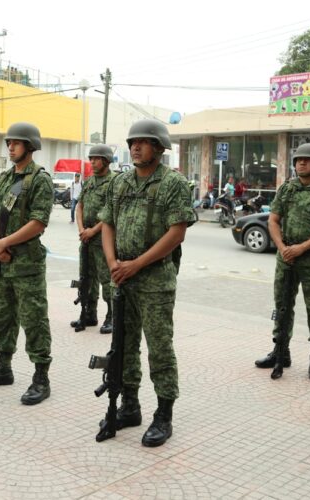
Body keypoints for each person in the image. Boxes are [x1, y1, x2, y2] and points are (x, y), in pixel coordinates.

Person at [99, 119, 195, 447]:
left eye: (144, 141)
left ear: (159, 147)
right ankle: (130, 405)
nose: (136, 147)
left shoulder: (172, 183)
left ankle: (164, 413)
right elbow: (107, 223)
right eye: (132, 142)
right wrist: (113, 263)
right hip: (121, 278)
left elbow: (176, 232)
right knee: (124, 347)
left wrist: (136, 264)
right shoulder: (120, 183)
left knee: (159, 347)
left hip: (155, 280)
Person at [0, 122, 54, 405]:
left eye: (16, 143)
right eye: (9, 142)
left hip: (27, 264)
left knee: (34, 321)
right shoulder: (7, 178)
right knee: (3, 317)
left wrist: (3, 244)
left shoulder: (39, 180)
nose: (10, 147)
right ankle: (3, 368)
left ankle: (41, 377)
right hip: (3, 261)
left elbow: (38, 222)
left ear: (30, 146)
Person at [255, 143, 310, 382]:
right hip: (286, 256)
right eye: (298, 159)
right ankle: (280, 352)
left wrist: (302, 248)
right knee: (282, 305)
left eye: (307, 159)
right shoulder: (287, 189)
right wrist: (283, 248)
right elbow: (273, 221)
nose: (301, 163)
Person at [72, 144, 118, 334]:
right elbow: (79, 206)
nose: (92, 162)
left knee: (107, 279)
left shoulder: (115, 181)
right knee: (87, 278)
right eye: (91, 158)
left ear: (106, 161)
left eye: (96, 158)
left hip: (102, 239)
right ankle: (89, 313)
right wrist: (82, 229)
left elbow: (112, 212)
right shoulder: (90, 182)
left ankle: (112, 317)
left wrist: (93, 231)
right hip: (87, 240)